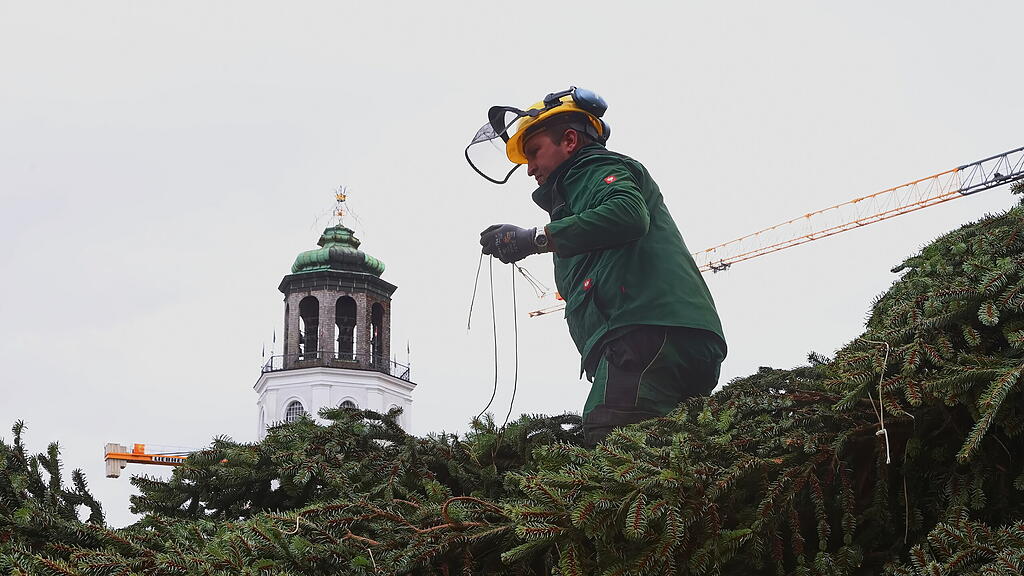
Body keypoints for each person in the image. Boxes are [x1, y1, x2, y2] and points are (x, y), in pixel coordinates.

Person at [477, 88, 727, 447]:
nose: (529, 168)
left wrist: (535, 239)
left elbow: (626, 213)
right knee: (669, 455)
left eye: (534, 153)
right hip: (674, 335)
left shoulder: (592, 167)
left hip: (645, 333)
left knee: (612, 436)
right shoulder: (578, 193)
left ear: (569, 140)